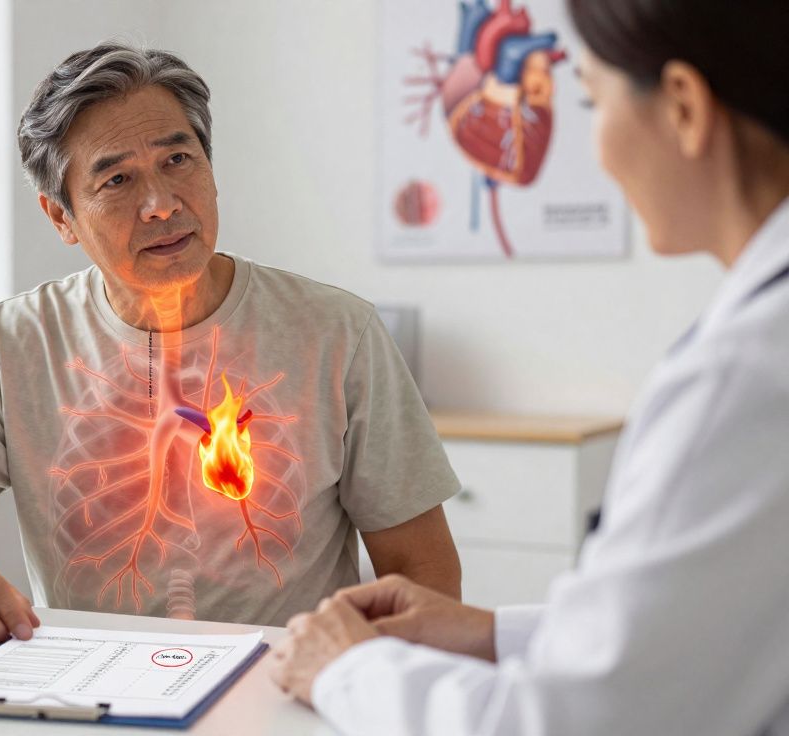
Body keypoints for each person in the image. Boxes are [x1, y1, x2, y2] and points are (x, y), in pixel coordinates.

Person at [269, 0, 789, 733]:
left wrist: (345, 667)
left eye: (592, 102)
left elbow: (568, 721)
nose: (599, 152)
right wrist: (492, 634)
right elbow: (703, 620)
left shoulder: (745, 379)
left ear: (683, 108)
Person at [0, 42, 464, 647]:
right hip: (90, 691)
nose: (162, 205)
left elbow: (424, 568)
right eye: (117, 179)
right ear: (61, 217)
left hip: (286, 684)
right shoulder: (12, 343)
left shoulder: (338, 333)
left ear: (210, 167)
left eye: (178, 161)